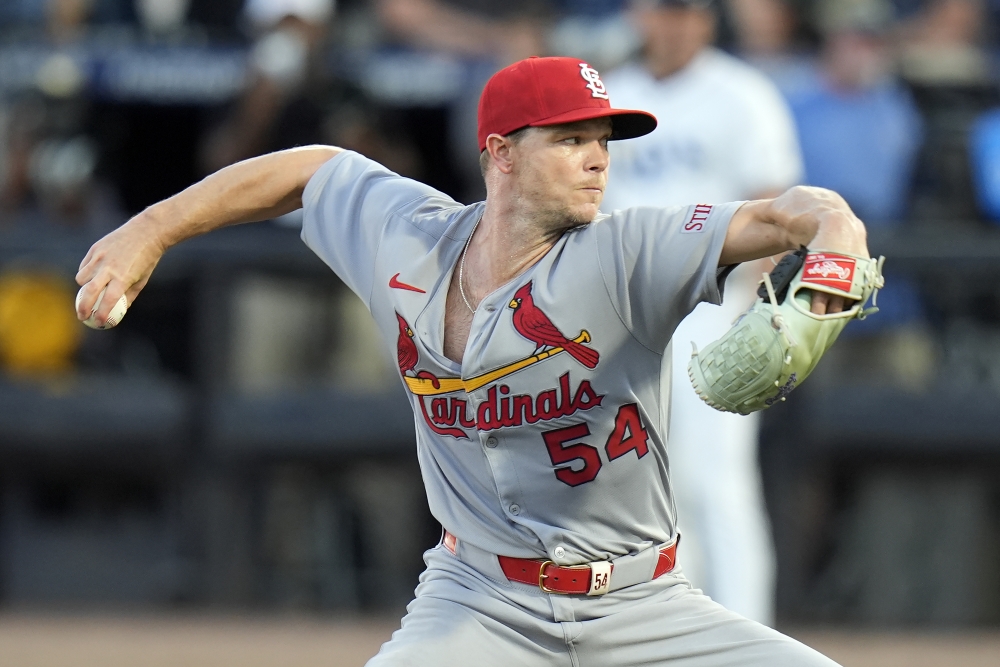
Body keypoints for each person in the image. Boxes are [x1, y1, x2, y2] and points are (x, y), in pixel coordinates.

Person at [76, 56, 867, 666]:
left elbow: (779, 212)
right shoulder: (408, 236)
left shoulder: (629, 251)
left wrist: (836, 236)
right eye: (570, 139)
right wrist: (151, 228)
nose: (598, 160)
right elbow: (308, 169)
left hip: (642, 603)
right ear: (501, 154)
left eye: (602, 142)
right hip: (478, 598)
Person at [601, 0, 803, 625]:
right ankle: (678, 631)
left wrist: (747, 313)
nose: (674, 23)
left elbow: (778, 206)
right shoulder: (613, 94)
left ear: (707, 21)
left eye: (687, 11)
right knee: (650, 486)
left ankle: (746, 632)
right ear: (638, 15)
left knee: (717, 482)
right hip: (625, 313)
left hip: (713, 306)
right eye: (663, 10)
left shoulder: (742, 95)